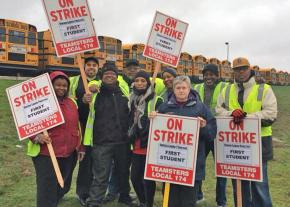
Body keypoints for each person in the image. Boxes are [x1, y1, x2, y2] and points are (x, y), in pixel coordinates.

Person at [216, 57, 277, 207]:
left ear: (250, 69)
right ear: (233, 72)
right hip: (235, 146)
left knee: (259, 186)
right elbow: (218, 111)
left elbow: (271, 114)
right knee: (240, 186)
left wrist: (247, 118)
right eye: (237, 69)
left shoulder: (264, 89)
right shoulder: (227, 90)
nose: (241, 72)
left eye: (244, 68)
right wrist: (231, 114)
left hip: (259, 144)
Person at [150, 75, 217, 207]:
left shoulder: (200, 108)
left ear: (189, 89)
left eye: (184, 88)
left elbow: (212, 133)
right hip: (170, 165)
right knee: (170, 201)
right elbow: (155, 134)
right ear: (174, 90)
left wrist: (203, 127)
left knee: (188, 202)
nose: (181, 90)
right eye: (178, 88)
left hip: (192, 166)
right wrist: (154, 118)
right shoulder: (164, 107)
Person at [27, 71, 84, 207]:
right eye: (57, 85)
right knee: (46, 189)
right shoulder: (40, 102)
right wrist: (36, 136)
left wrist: (80, 147)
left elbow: (78, 126)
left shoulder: (72, 103)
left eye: (64, 85)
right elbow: (27, 124)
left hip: (69, 154)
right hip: (46, 154)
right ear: (50, 86)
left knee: (63, 185)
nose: (61, 88)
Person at [83, 62, 135, 207]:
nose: (110, 76)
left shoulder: (124, 89)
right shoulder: (94, 90)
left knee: (123, 173)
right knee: (100, 175)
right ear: (102, 76)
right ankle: (94, 201)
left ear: (117, 76)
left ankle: (124, 196)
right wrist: (88, 93)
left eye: (112, 73)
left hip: (122, 141)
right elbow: (87, 91)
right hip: (101, 141)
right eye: (106, 74)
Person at [194, 64, 228, 207]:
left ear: (217, 75)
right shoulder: (196, 88)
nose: (208, 77)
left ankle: (221, 201)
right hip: (203, 132)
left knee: (221, 169)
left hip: (220, 133)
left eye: (212, 74)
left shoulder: (225, 88)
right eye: (206, 74)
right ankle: (198, 195)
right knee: (197, 165)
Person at [69, 57, 101, 206]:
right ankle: (82, 193)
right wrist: (81, 100)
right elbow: (68, 102)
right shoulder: (74, 81)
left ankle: (96, 193)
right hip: (80, 128)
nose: (91, 67)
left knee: (99, 164)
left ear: (98, 68)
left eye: (95, 65)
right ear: (83, 66)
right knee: (84, 163)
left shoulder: (102, 81)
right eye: (88, 65)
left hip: (99, 129)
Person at [128, 71, 163, 207]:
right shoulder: (131, 99)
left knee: (148, 179)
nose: (140, 83)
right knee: (135, 178)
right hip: (136, 144)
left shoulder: (157, 99)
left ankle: (148, 203)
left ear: (148, 83)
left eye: (143, 80)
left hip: (151, 144)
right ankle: (142, 201)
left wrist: (158, 114)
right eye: (137, 80)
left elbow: (165, 116)